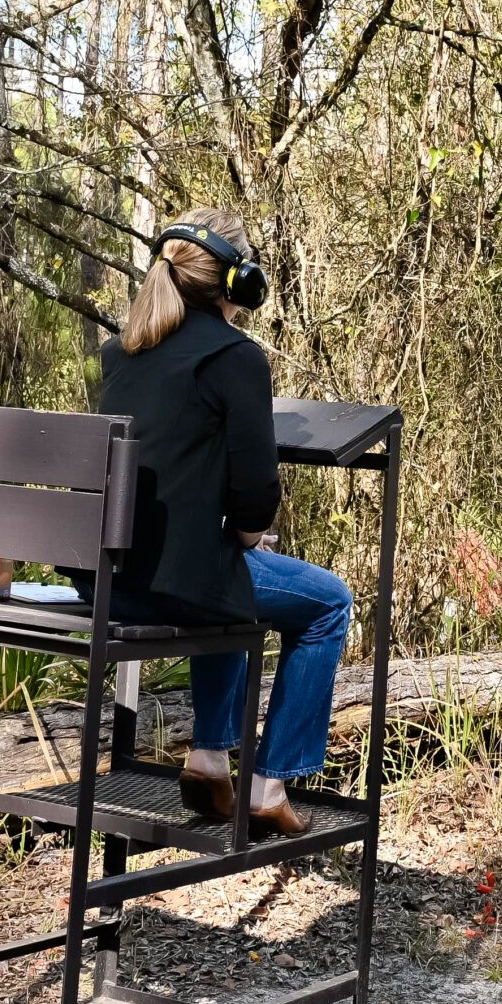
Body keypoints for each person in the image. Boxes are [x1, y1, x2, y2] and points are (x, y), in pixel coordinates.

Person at [90, 208, 353, 836]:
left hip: (112, 580)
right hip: (182, 584)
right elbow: (256, 496)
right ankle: (270, 781)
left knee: (229, 574)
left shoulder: (120, 354)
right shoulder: (237, 357)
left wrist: (235, 541)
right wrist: (248, 534)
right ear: (240, 282)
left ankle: (211, 756)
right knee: (326, 605)